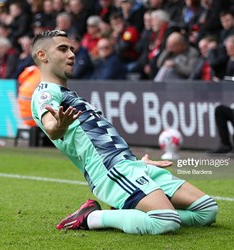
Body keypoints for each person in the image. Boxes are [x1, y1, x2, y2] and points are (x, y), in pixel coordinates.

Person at [31, 30, 218, 235]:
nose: (72, 54)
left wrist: (136, 162)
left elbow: (100, 139)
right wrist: (59, 125)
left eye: (72, 49)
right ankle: (90, 217)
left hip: (130, 165)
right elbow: (51, 127)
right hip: (111, 171)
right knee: (166, 220)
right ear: (42, 55)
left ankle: (130, 208)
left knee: (207, 210)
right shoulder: (45, 92)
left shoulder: (69, 95)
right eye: (63, 49)